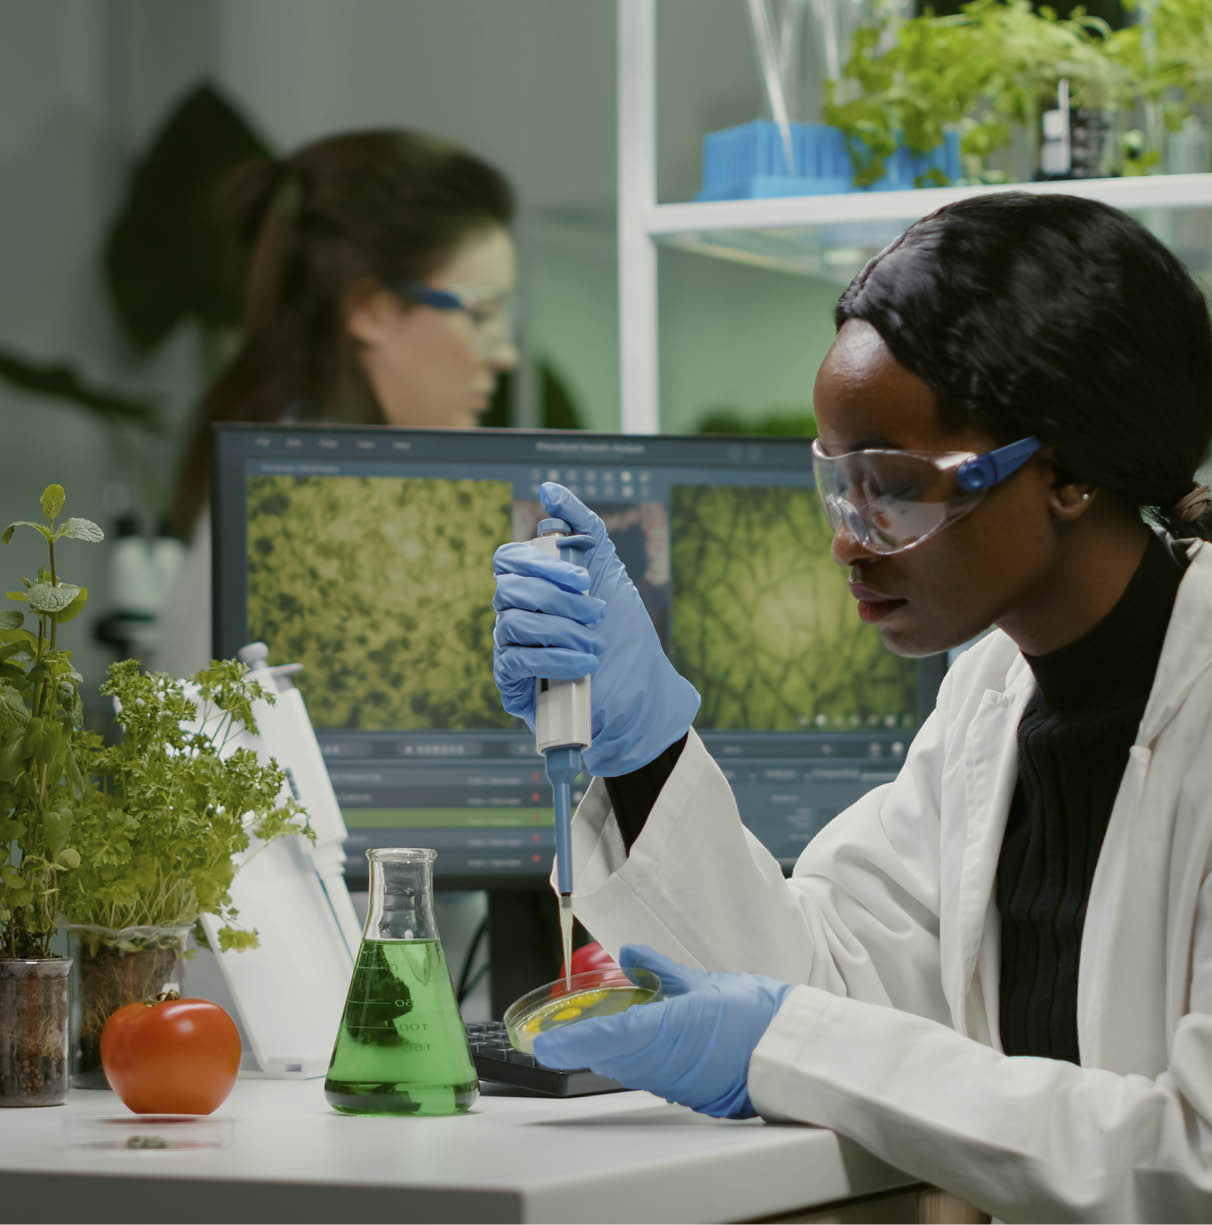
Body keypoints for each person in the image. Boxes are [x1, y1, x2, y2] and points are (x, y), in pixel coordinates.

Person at [490, 191, 1212, 1221]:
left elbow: (1192, 1157)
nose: (849, 537)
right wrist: (640, 748)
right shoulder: (993, 698)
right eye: (839, 481)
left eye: (894, 486)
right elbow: (815, 983)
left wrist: (780, 1037)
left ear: (1068, 474)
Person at [155, 127, 517, 675]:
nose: (505, 355)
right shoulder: (293, 510)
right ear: (370, 311)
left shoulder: (321, 482)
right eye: (481, 314)